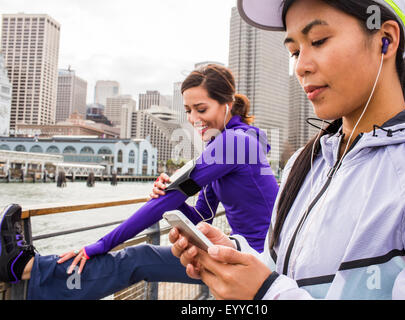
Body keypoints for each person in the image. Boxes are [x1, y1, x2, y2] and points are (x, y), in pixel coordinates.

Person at [170, 0, 405, 300]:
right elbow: (283, 270)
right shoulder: (302, 165)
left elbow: (276, 289)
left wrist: (265, 292)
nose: (301, 67)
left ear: (386, 39)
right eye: (295, 51)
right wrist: (236, 257)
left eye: (318, 41)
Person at [0, 64, 279, 299]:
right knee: (139, 258)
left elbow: (170, 203)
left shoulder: (235, 144)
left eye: (201, 109)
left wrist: (100, 244)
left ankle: (27, 269)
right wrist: (172, 197)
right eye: (188, 110)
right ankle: (29, 269)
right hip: (244, 250)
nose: (193, 119)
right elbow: (203, 216)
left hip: (257, 261)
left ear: (226, 105)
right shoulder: (231, 143)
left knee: (137, 258)